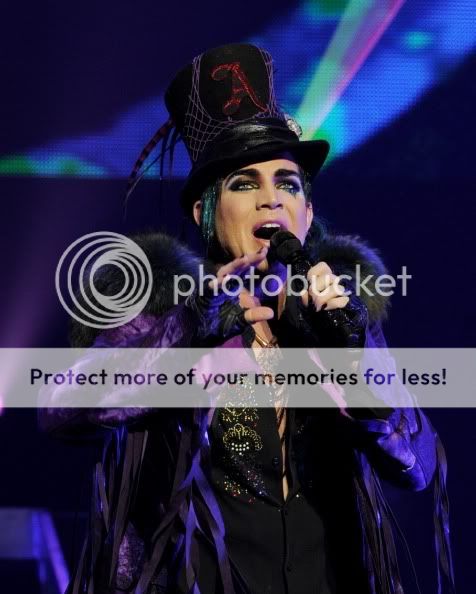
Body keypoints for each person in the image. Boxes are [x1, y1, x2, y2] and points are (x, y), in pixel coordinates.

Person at [40, 43, 454, 594]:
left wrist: (354, 360)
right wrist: (191, 333)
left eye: (288, 183)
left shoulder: (338, 321)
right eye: (244, 183)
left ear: (307, 212)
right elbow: (60, 407)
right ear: (205, 212)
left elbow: (417, 467)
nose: (271, 200)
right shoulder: (163, 317)